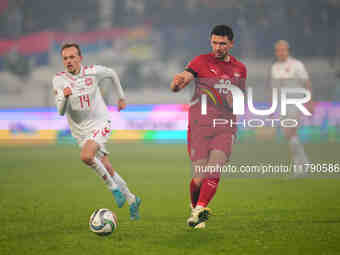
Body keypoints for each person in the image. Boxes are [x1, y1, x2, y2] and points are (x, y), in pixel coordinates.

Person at [52, 43, 141, 220]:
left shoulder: (93, 71)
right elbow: (61, 111)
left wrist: (121, 97)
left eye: (72, 57)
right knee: (106, 166)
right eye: (65, 58)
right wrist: (65, 97)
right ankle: (132, 199)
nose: (69, 61)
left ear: (80, 58)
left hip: (100, 122)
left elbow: (112, 74)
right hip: (80, 130)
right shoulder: (59, 80)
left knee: (86, 156)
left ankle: (114, 189)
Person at [170, 25, 247, 228]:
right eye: (214, 42)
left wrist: (230, 97)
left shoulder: (240, 69)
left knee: (215, 168)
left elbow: (239, 102)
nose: (218, 47)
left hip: (224, 126)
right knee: (199, 177)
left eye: (222, 43)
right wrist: (178, 83)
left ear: (231, 43)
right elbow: (186, 76)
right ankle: (195, 209)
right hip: (199, 127)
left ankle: (199, 209)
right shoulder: (200, 61)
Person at [269, 40, 314, 176]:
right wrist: (272, 107)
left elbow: (306, 83)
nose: (281, 52)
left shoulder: (297, 65)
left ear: (288, 51)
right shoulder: (274, 67)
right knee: (289, 135)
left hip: (297, 102)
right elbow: (274, 88)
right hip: (283, 104)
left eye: (283, 50)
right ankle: (305, 163)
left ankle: (298, 167)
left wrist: (310, 102)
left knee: (290, 132)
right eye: (278, 50)